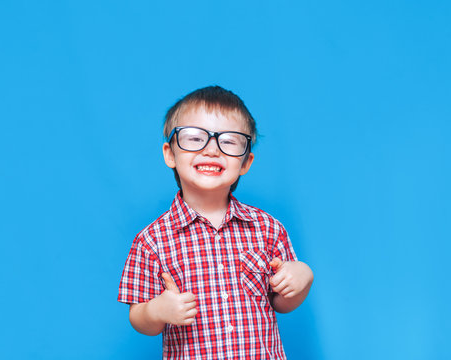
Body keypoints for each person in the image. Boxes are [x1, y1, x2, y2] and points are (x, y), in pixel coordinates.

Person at [118, 86, 314, 359]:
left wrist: (302, 277)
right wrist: (157, 310)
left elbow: (281, 303)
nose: (212, 150)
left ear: (245, 162)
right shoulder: (151, 240)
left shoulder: (268, 228)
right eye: (195, 138)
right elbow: (137, 315)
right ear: (170, 154)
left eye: (230, 141)